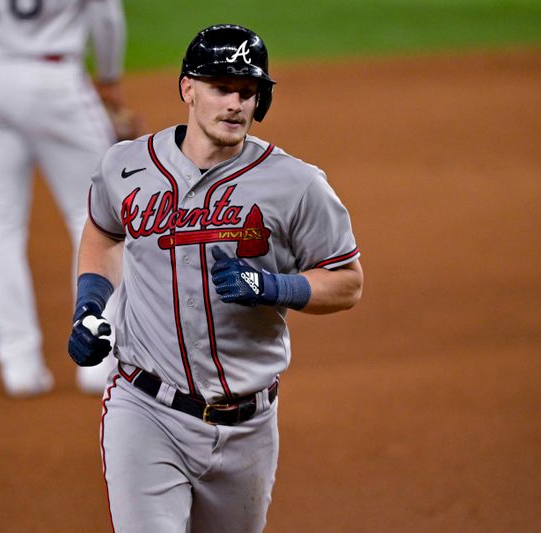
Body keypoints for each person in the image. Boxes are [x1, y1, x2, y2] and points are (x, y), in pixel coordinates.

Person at [67, 24, 363, 532]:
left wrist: (276, 288)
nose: (235, 104)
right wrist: (89, 307)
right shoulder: (127, 166)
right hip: (146, 409)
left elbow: (348, 281)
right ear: (188, 89)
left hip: (248, 427)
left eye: (248, 92)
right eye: (221, 88)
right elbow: (103, 232)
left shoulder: (296, 184)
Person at [0, 0, 141, 397]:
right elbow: (107, 16)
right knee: (97, 216)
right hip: (52, 80)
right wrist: (109, 81)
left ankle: (18, 366)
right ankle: (100, 359)